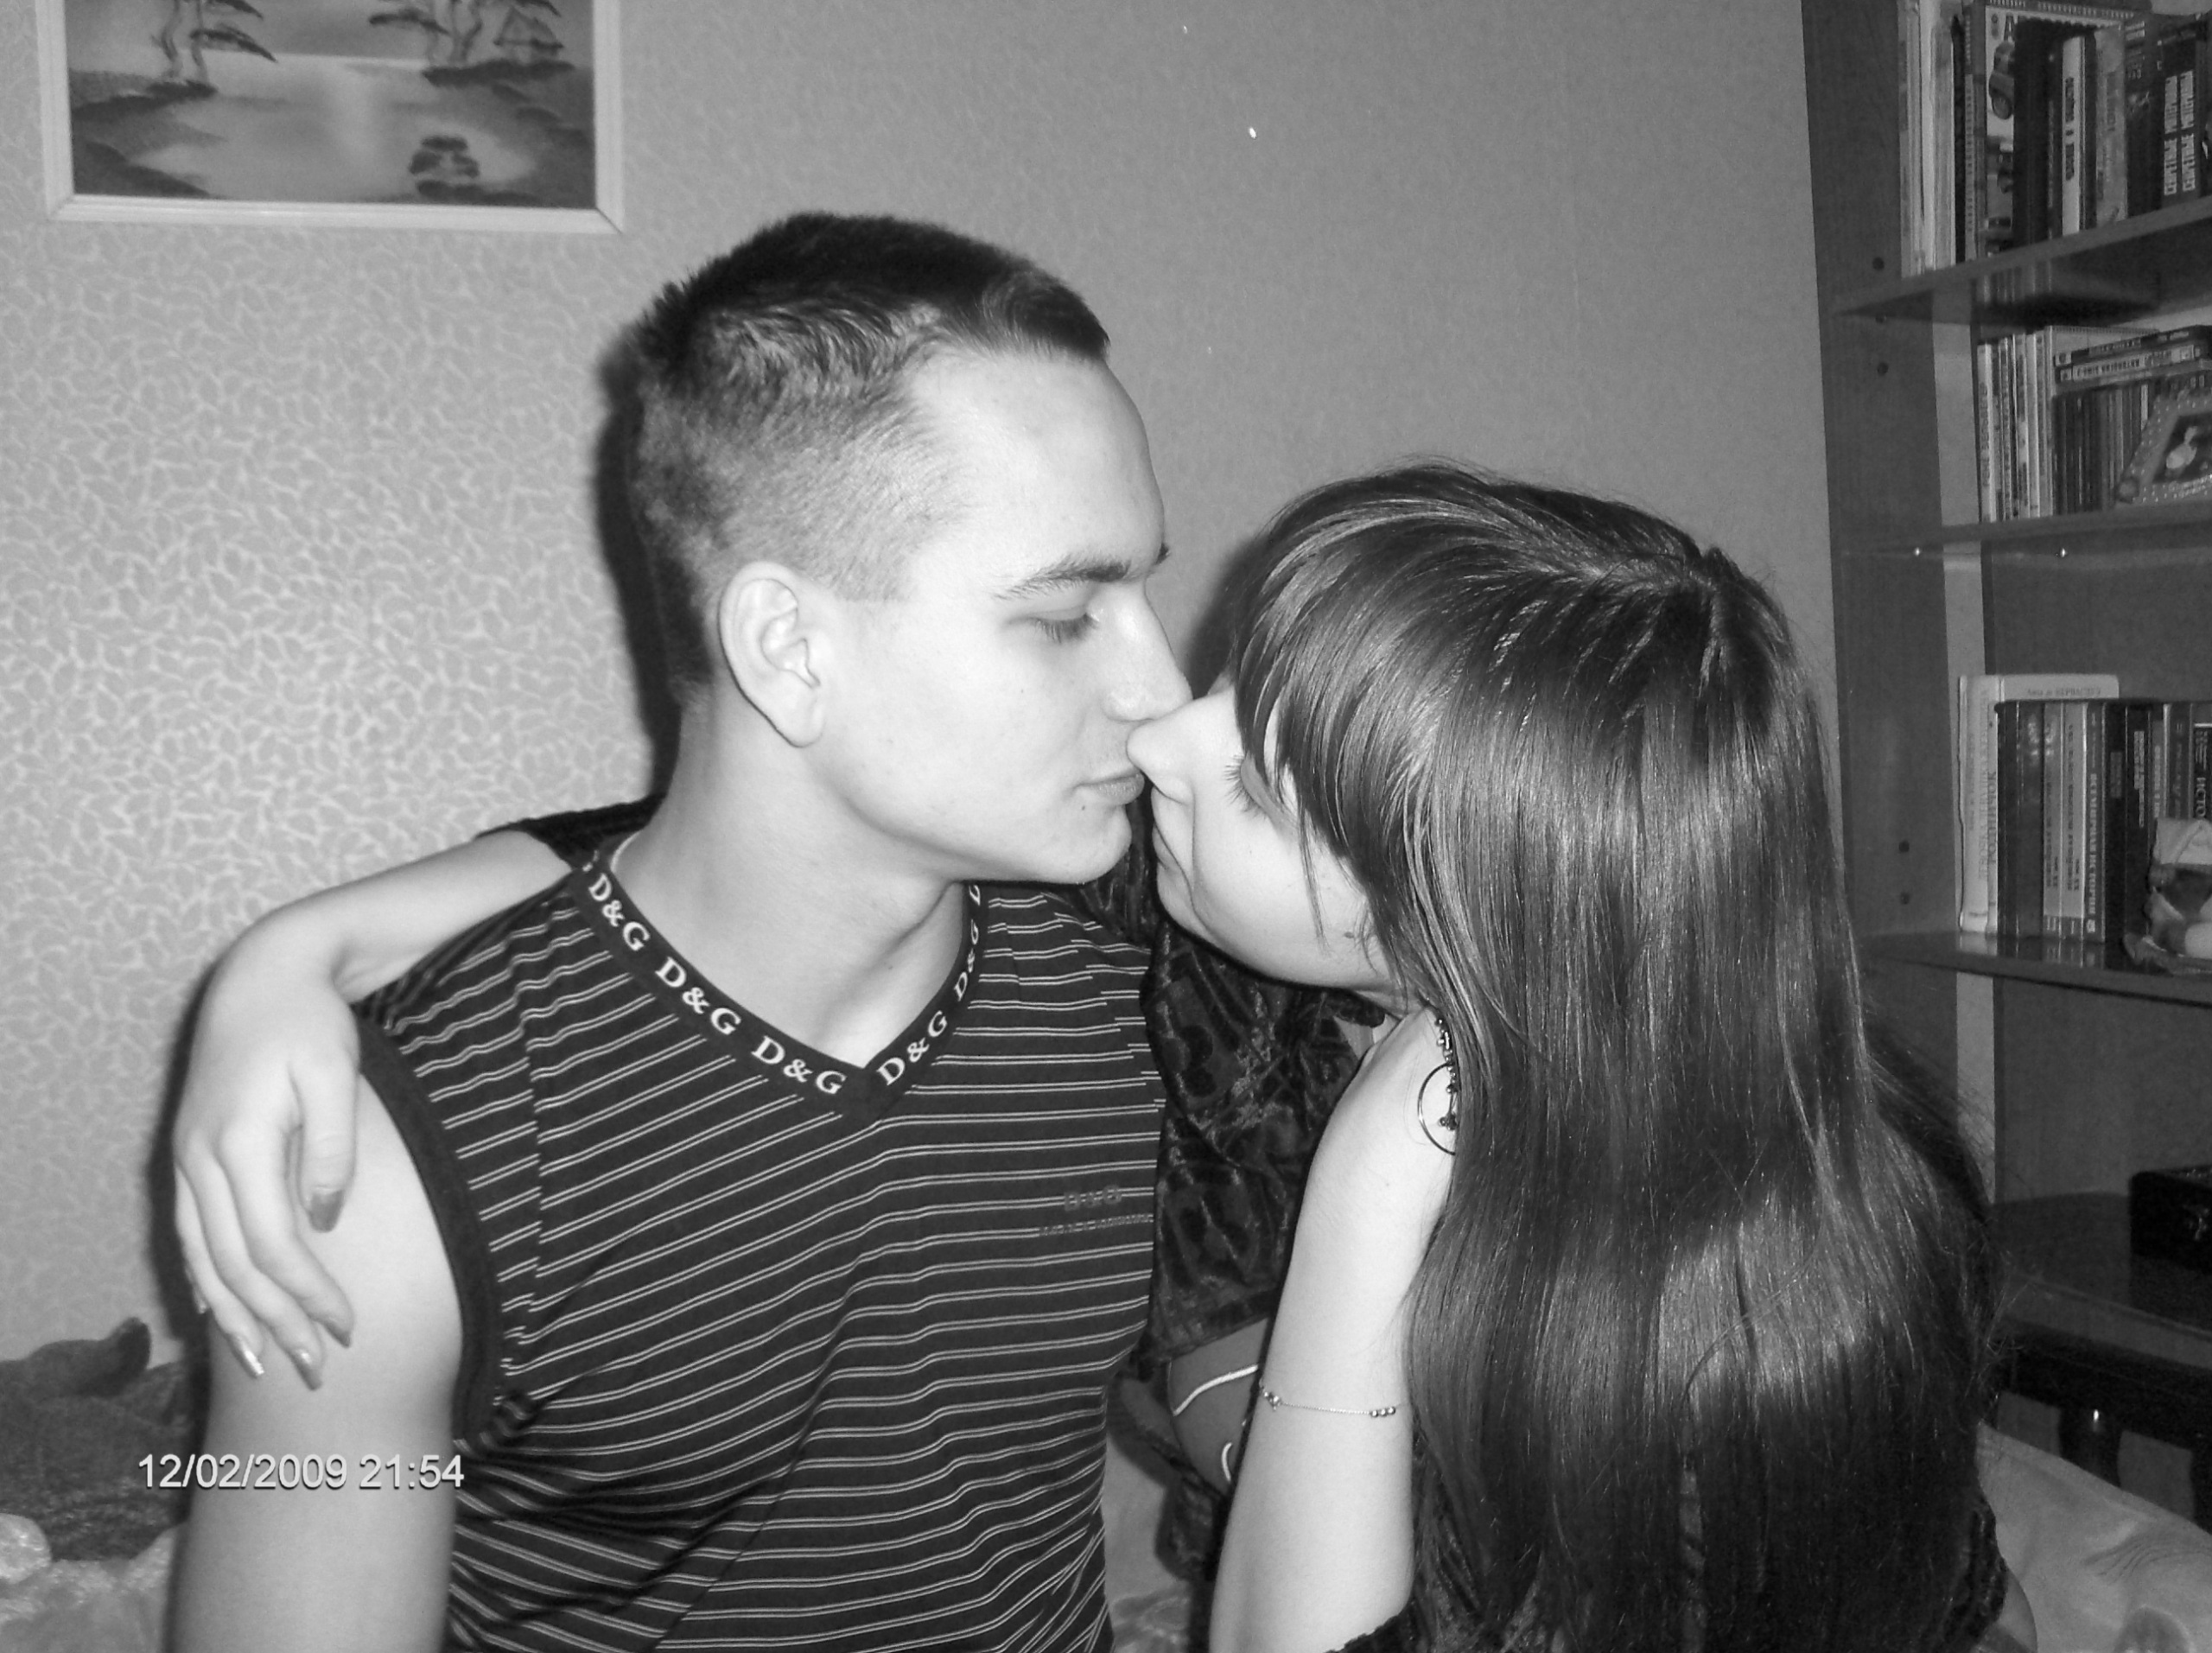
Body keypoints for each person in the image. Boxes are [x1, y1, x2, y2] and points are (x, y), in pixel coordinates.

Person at [169, 210, 1198, 1651]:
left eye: (1143, 588)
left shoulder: (1153, 999)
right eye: (1066, 614)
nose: (1164, 691)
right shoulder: (389, 1151)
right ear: (787, 647)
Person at [1122, 462, 2024, 1653]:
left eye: (1250, 787)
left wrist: (1369, 1183)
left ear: (1454, 923)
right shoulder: (1247, 988)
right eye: (1231, 674)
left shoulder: (1700, 1343)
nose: (1155, 738)